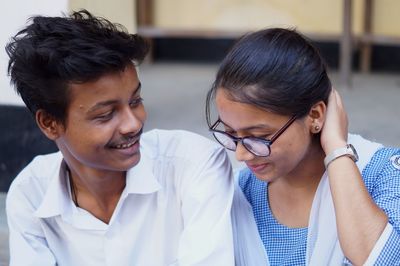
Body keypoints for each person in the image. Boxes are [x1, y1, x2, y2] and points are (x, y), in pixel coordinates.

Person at [5, 10, 234, 266]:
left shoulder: (193, 165)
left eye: (136, 101)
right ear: (50, 123)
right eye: (105, 114)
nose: (133, 124)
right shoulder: (31, 193)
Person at [206, 28, 400, 265]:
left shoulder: (383, 173)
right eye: (230, 133)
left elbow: (384, 260)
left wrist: (337, 149)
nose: (240, 153)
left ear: (316, 116)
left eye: (258, 136)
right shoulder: (239, 193)